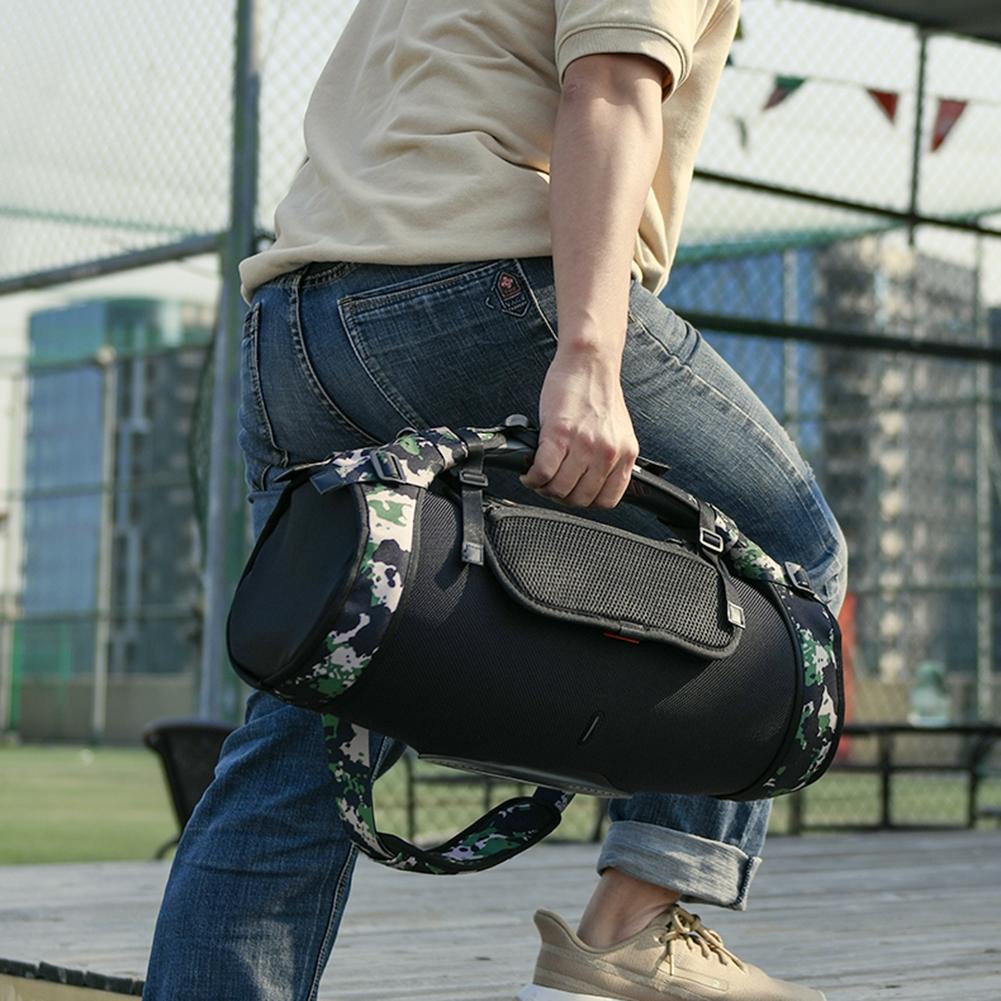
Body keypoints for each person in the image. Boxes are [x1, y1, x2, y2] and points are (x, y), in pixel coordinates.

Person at [143, 2, 848, 999]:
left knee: (317, 713)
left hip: (297, 326)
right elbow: (607, 87)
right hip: (478, 292)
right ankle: (634, 923)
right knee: (784, 563)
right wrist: (589, 356)